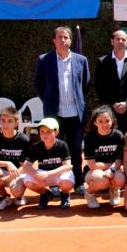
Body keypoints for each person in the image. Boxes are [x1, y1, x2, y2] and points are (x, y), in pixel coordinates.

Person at [34, 26, 90, 194]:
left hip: (75, 114)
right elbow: (38, 85)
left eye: (66, 37)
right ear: (54, 40)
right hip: (54, 115)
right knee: (54, 150)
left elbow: (85, 84)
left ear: (71, 40)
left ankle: (78, 182)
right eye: (60, 37)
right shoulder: (44, 60)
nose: (63, 40)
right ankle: (54, 184)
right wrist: (49, 100)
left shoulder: (81, 60)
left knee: (75, 150)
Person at [95, 29, 127, 134]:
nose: (121, 41)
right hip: (110, 110)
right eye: (118, 39)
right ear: (112, 41)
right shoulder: (102, 61)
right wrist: (113, 103)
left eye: (123, 39)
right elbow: (99, 85)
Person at [0, 106, 31, 211]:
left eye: (9, 121)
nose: (5, 124)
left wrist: (4, 179)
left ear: (16, 123)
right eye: (3, 121)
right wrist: (7, 163)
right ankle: (4, 197)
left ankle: (19, 196)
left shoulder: (24, 139)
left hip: (18, 173)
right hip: (3, 171)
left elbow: (24, 166)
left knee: (17, 191)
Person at [23, 118, 74, 210]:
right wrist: (36, 175)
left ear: (56, 132)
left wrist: (49, 174)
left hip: (58, 174)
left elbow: (67, 166)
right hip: (44, 175)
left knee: (67, 182)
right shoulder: (36, 146)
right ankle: (45, 194)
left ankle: (65, 194)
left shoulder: (62, 145)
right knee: (28, 180)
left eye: (48, 131)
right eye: (42, 131)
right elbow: (26, 166)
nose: (44, 134)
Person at [83, 105, 126, 209]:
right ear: (95, 122)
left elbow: (120, 159)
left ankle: (114, 191)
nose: (104, 124)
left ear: (112, 121)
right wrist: (111, 167)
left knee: (120, 179)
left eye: (107, 120)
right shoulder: (89, 137)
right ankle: (89, 193)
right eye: (100, 121)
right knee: (100, 178)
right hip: (94, 172)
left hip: (113, 169)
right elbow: (93, 165)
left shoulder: (118, 135)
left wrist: (112, 169)